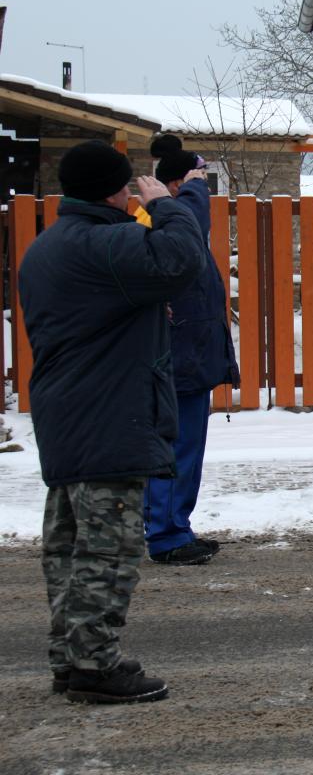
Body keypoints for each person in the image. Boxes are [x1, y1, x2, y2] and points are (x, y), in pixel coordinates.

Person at [19, 139, 207, 702]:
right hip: (109, 415)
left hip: (66, 414)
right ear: (114, 189)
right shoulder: (106, 244)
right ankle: (96, 667)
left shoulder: (49, 246)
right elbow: (181, 259)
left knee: (68, 548)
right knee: (108, 549)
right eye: (127, 185)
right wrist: (167, 203)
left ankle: (71, 658)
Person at [140, 135, 240, 566]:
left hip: (189, 357)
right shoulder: (168, 220)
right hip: (178, 359)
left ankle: (173, 526)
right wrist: (196, 185)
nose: (206, 193)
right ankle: (167, 535)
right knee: (175, 448)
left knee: (183, 448)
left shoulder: (171, 222)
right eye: (200, 181)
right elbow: (194, 215)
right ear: (177, 186)